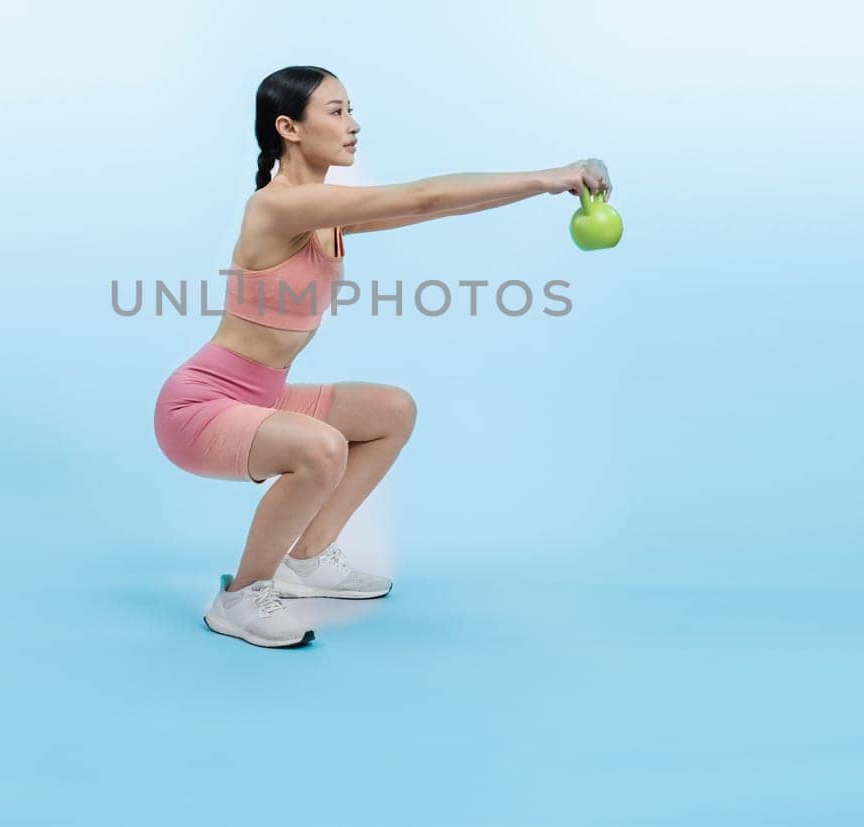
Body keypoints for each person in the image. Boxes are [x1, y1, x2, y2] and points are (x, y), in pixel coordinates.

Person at [152, 65, 611, 648]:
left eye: (351, 111)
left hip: (257, 395)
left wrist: (538, 189)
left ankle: (308, 559)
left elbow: (433, 207)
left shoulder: (325, 212)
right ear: (289, 127)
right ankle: (240, 596)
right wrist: (552, 176)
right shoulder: (278, 207)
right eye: (337, 112)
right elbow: (426, 193)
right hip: (199, 407)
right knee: (322, 448)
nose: (353, 125)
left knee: (391, 410)